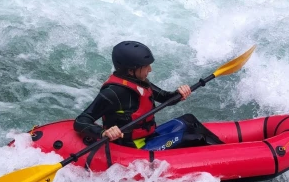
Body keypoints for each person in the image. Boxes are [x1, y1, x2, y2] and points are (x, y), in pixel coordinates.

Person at [74, 40, 222, 150]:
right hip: (134, 147)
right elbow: (81, 121)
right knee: (197, 138)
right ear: (131, 70)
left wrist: (179, 93)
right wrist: (103, 132)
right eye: (146, 66)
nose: (150, 70)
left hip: (148, 136)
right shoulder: (113, 93)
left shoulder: (140, 82)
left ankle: (225, 148)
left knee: (189, 119)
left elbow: (166, 98)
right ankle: (225, 157)